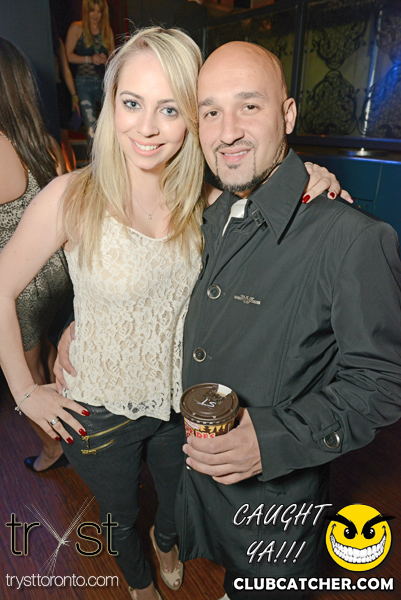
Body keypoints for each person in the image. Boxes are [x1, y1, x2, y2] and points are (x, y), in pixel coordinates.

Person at [47, 28, 346, 600]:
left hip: (179, 401)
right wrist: (38, 373)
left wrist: (312, 176)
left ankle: (166, 541)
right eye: (132, 103)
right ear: (111, 106)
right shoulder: (77, 195)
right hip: (100, 406)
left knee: (177, 499)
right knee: (117, 512)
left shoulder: (210, 205)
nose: (147, 126)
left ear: (190, 122)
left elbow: (270, 207)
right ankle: (139, 583)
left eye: (170, 109)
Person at [175, 42, 401, 599]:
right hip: (201, 480)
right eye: (211, 111)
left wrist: (271, 439)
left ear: (288, 114)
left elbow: (383, 383)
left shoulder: (353, 238)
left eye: (249, 106)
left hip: (277, 512)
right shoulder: (211, 212)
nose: (227, 131)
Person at [0, 38, 72, 473]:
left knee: (26, 382)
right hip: (55, 272)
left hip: (19, 287)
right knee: (47, 355)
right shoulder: (42, 141)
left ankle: (54, 448)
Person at [65, 0, 114, 140]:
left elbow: (113, 57)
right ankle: (94, 152)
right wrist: (89, 59)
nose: (95, 15)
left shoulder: (107, 30)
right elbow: (68, 56)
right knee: (90, 127)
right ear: (86, 11)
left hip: (103, 82)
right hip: (83, 82)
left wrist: (106, 59)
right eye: (92, 11)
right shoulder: (77, 28)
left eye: (99, 11)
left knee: (110, 123)